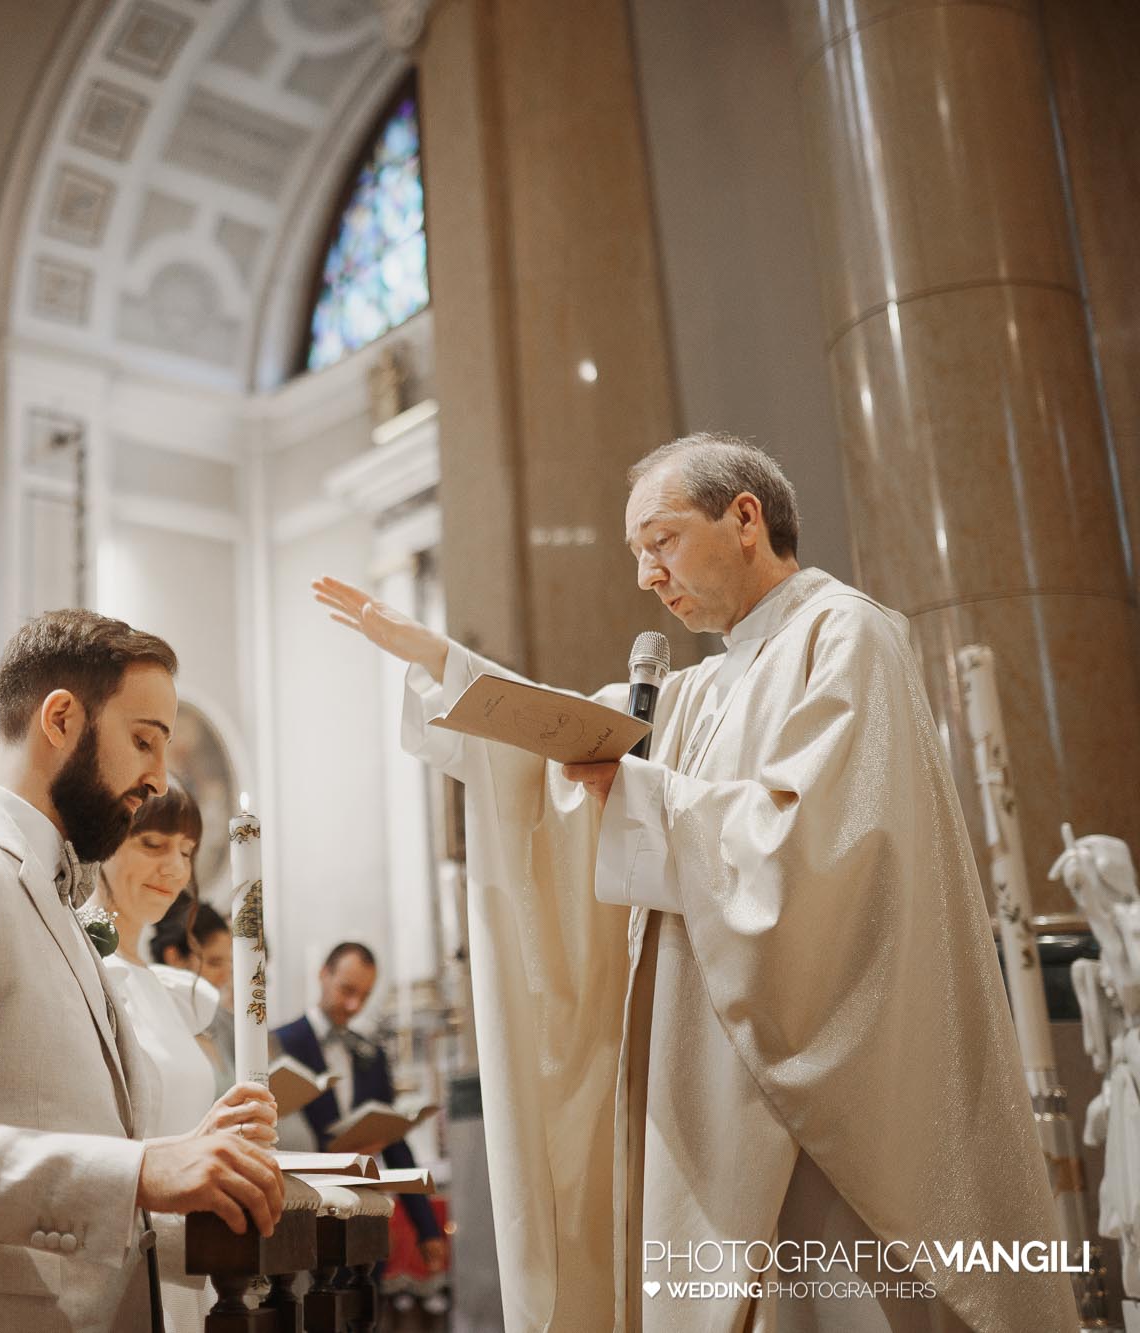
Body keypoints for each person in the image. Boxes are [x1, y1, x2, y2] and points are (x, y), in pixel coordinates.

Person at [315, 432, 1073, 1329]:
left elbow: (819, 852)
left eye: (660, 540)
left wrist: (642, 796)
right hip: (705, 1087)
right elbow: (566, 752)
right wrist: (448, 668)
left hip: (820, 1109)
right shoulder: (702, 691)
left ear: (745, 517)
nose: (646, 575)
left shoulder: (847, 636)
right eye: (639, 553)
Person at [0, 608, 284, 1333]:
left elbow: (52, 1112)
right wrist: (142, 1171)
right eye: (142, 741)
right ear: (62, 718)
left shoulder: (56, 891)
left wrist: (188, 1147)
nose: (156, 777)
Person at [88, 782, 249, 1333]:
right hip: (114, 1245)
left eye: (186, 851)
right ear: (104, 843)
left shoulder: (179, 993)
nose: (175, 869)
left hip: (191, 1243)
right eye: (153, 844)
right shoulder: (83, 965)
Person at [271, 943, 447, 1275]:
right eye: (347, 990)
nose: (354, 1006)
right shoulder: (279, 1044)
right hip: (303, 1218)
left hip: (362, 1218)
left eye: (364, 996)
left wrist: (427, 1229)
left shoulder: (371, 1055)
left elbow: (395, 1144)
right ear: (323, 975)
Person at [151, 895, 234, 1092]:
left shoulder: (219, 1022)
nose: (225, 976)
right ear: (175, 957)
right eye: (214, 963)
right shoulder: (150, 1025)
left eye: (228, 964)